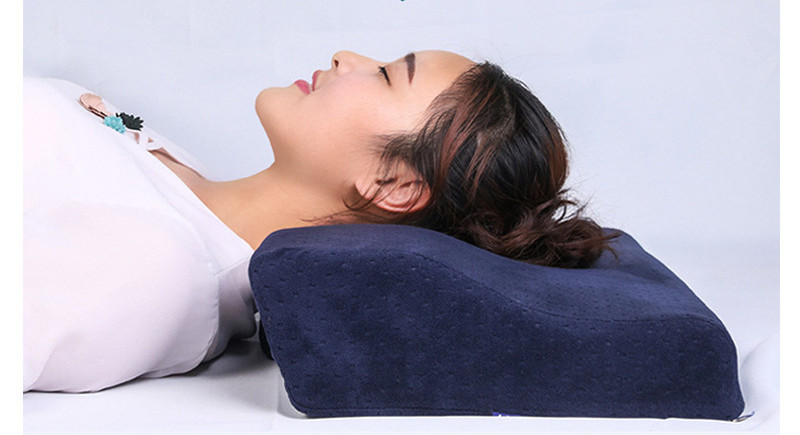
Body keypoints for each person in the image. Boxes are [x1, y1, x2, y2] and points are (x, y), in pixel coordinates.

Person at [23, 49, 613, 393]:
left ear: (394, 184)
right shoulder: (183, 174)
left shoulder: (154, 270)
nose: (344, 56)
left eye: (385, 74)